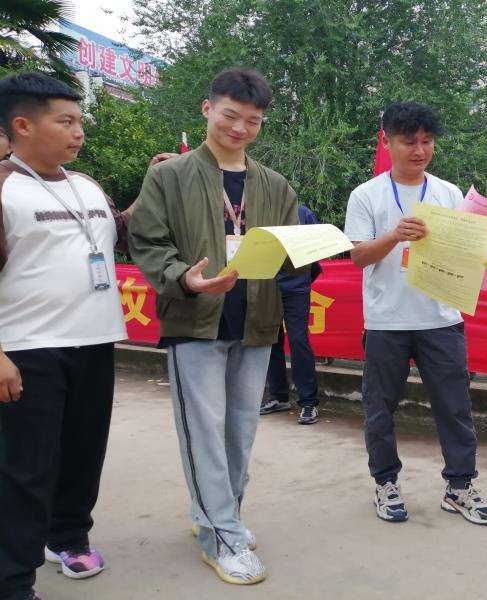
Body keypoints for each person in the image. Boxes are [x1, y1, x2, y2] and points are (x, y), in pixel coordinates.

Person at [129, 68, 306, 585]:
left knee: (240, 428)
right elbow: (148, 242)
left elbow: (289, 250)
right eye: (230, 115)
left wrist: (308, 250)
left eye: (253, 121)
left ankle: (220, 515)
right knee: (203, 431)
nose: (240, 129)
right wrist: (184, 277)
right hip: (194, 319)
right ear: (208, 109)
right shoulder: (169, 176)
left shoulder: (275, 184)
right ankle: (221, 535)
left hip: (256, 321)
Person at [0, 72, 151, 600]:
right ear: (22, 125)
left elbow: (115, 232)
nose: (78, 132)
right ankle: (13, 581)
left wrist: (148, 189)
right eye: (65, 121)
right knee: (26, 467)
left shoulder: (85, 184)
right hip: (28, 348)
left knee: (83, 452)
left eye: (79, 121)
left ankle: (67, 538)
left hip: (95, 339)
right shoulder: (4, 188)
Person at [344, 101, 487, 526]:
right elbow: (357, 257)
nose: (419, 150)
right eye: (409, 141)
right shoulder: (366, 195)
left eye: (427, 141)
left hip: (441, 319)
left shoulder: (449, 194)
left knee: (455, 408)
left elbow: (464, 253)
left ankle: (460, 486)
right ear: (388, 142)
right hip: (386, 322)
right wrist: (395, 235)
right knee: (380, 409)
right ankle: (385, 483)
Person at [260, 203, 323, 425]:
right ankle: (278, 397)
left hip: (296, 290)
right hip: (266, 288)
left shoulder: (302, 213)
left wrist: (301, 282)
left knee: (298, 340)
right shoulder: (261, 211)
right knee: (271, 341)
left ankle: (308, 402)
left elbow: (315, 251)